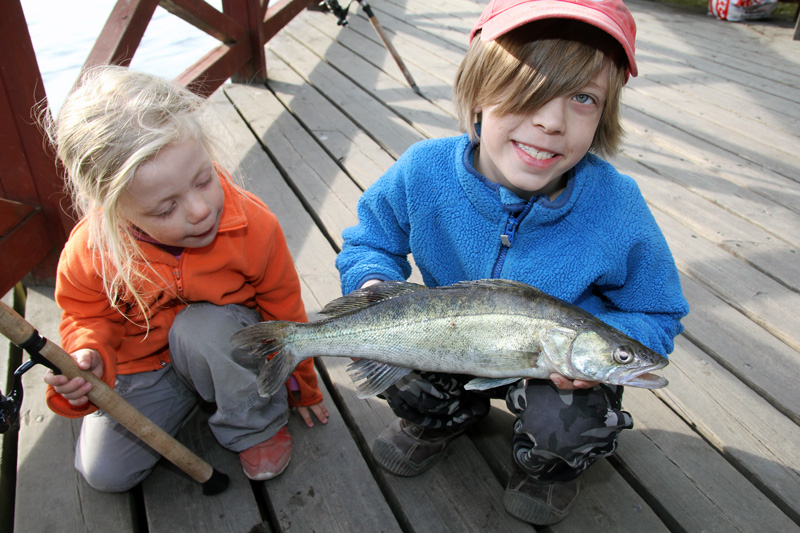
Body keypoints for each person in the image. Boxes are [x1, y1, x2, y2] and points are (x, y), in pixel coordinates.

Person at [335, 0, 689, 525]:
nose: (550, 120)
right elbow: (370, 242)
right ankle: (439, 420)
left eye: (582, 97)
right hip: (448, 341)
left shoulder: (618, 209)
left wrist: (597, 353)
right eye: (528, 87)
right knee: (397, 367)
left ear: (606, 114)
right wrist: (373, 286)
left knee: (568, 425)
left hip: (556, 369)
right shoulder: (422, 171)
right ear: (478, 91)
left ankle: (547, 468)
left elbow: (656, 311)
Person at [42, 65, 329, 491]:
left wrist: (303, 383)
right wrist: (89, 354)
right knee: (105, 475)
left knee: (203, 329)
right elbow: (83, 314)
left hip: (225, 345)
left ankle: (253, 424)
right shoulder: (90, 249)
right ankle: (190, 394)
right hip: (142, 366)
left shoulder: (254, 226)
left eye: (204, 179)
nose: (199, 210)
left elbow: (286, 313)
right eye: (165, 209)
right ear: (113, 208)